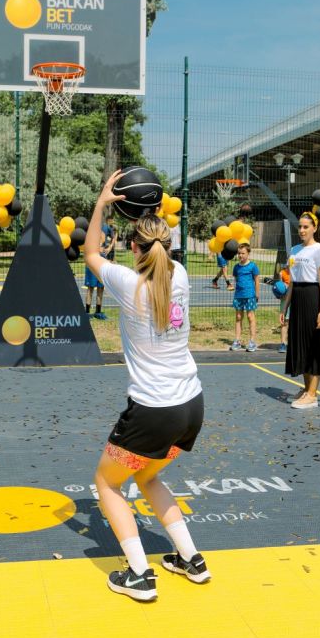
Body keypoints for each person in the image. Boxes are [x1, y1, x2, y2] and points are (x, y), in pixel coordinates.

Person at [84, 171, 210, 603]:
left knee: (107, 483)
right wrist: (148, 210)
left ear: (133, 248)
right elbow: (156, 245)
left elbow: (88, 251)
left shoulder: (125, 282)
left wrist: (104, 204)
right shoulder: (181, 277)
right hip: (191, 406)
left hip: (154, 412)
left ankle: (139, 573)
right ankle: (191, 559)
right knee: (149, 477)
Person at [280, 211, 320, 408]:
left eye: (306, 226)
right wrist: (285, 308)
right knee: (300, 344)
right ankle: (306, 390)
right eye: (300, 226)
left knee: (314, 345)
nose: (302, 230)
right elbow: (292, 283)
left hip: (313, 298)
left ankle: (312, 395)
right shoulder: (294, 250)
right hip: (297, 300)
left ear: (314, 228)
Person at [230, 243, 260, 352]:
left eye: (243, 253)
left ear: (248, 253)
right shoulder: (236, 267)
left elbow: (257, 280)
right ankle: (237, 340)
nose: (241, 255)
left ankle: (252, 341)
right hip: (239, 295)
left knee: (250, 317)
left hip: (250, 295)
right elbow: (236, 279)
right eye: (239, 253)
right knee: (238, 317)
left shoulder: (252, 266)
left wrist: (257, 293)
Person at [84, 230, 108, 320]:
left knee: (100, 288)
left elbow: (103, 248)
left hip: (101, 262)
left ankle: (98, 312)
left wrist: (108, 249)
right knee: (90, 288)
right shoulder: (90, 234)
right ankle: (87, 312)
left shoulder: (103, 232)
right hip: (92, 262)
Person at [278, 267, 290, 353]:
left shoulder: (298, 272)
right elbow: (280, 288)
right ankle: (283, 343)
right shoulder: (282, 273)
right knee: (284, 322)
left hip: (296, 299)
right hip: (285, 300)